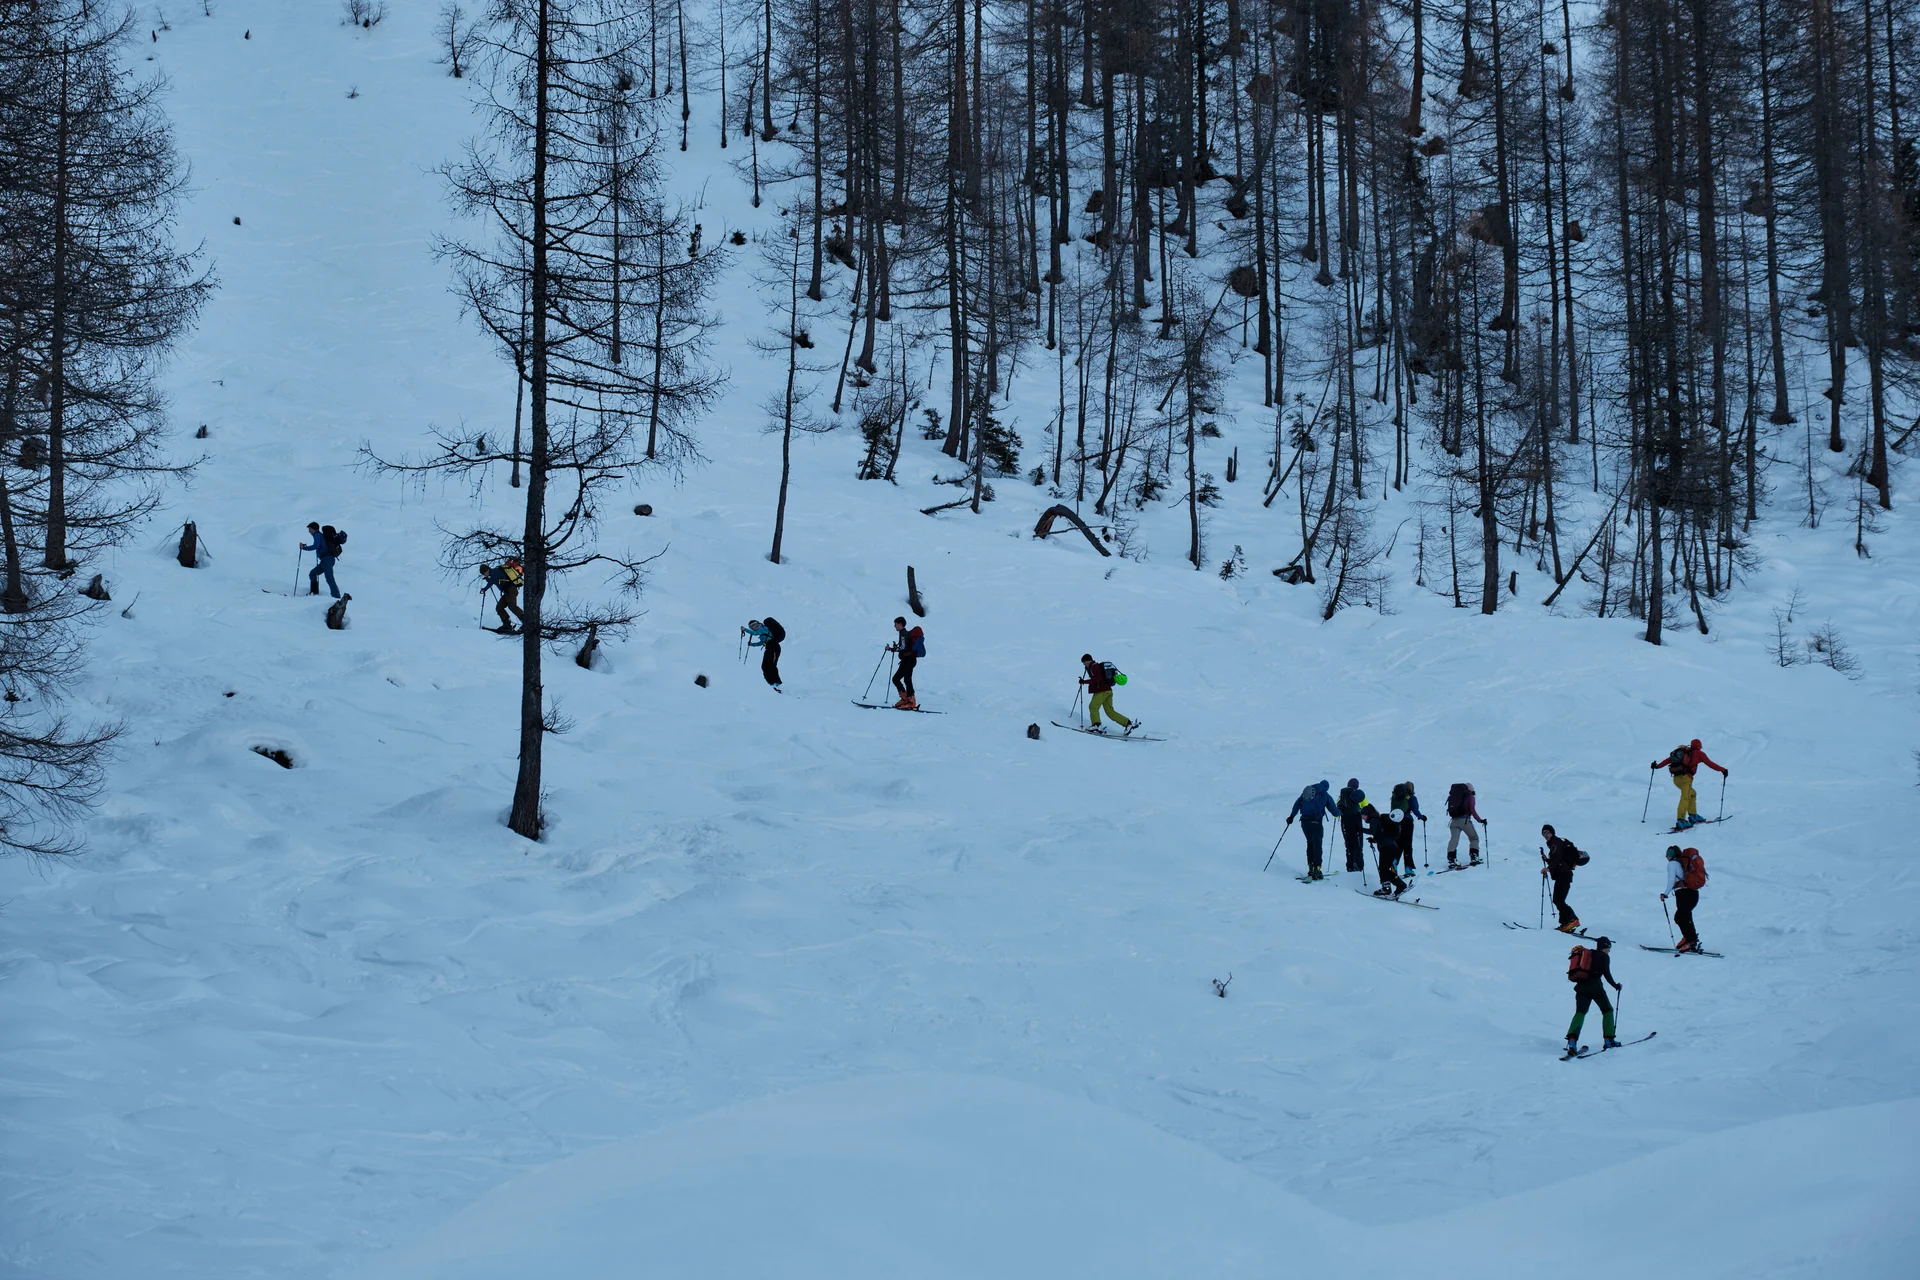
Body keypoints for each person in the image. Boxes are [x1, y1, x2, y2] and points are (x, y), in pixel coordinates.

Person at [1650, 738, 1729, 828]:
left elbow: (1668, 760)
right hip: (1686, 779)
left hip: (1676, 779)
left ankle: (1693, 815)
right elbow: (1710, 763)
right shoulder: (1699, 754)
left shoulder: (1684, 752)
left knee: (1692, 794)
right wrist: (1723, 770)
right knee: (1685, 797)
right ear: (1699, 746)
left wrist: (1656, 766)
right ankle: (1681, 820)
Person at [1565, 936, 1623, 1054]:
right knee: (1607, 1010)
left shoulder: (1589, 954)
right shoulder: (1604, 957)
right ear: (1605, 947)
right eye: (1609, 947)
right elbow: (1607, 974)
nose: (1609, 950)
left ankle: (1572, 1040)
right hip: (1595, 987)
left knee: (1580, 1013)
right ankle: (1609, 1039)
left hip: (1581, 987)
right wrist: (1615, 985)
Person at [1286, 780, 1340, 879]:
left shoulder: (1308, 791)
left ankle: (1311, 867)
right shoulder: (1325, 795)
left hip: (1304, 823)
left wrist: (1291, 817)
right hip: (1316, 822)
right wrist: (1340, 812)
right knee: (1317, 845)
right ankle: (1317, 869)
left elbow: (1297, 804)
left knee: (1310, 843)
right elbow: (1335, 812)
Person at [1541, 824, 1589, 933]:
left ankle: (1572, 920)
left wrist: (1548, 868)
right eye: (1543, 833)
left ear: (1552, 832)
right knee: (1558, 899)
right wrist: (1547, 860)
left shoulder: (1556, 842)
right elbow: (1558, 860)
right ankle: (1565, 923)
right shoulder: (1556, 843)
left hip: (1564, 874)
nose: (1545, 835)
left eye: (1547, 832)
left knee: (1558, 899)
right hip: (1563, 874)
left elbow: (1557, 858)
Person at [1662, 845, 1708, 953]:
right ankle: (1690, 939)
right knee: (1686, 917)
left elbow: (1671, 880)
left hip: (1684, 893)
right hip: (1693, 893)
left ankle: (1690, 940)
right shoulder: (1682, 864)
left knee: (1680, 917)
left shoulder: (1672, 864)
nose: (1666, 858)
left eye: (1667, 855)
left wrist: (1665, 894)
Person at [1078, 654, 1137, 735]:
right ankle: (1128, 724)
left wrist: (1084, 681)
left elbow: (1097, 679)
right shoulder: (1095, 667)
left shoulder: (1094, 667)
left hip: (1102, 691)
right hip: (1108, 691)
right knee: (1110, 712)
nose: (1084, 664)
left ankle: (1096, 725)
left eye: (1084, 663)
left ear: (1087, 661)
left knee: (1093, 707)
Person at [1363, 802, 1409, 898]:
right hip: (1390, 848)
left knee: (1384, 869)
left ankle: (1397, 886)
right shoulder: (1379, 820)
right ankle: (1388, 887)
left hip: (1387, 849)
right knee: (1384, 869)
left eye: (1364, 816)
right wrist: (1374, 840)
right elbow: (1382, 835)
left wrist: (1358, 829)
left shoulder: (1374, 821)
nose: (1363, 818)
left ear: (1368, 814)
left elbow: (1371, 831)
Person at [1443, 782, 1487, 867]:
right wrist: (1480, 820)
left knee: (1453, 840)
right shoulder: (1470, 796)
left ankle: (1452, 859)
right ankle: (1474, 857)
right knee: (1474, 838)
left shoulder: (1454, 795)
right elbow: (1472, 810)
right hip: (1464, 821)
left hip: (1453, 821)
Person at [301, 522, 346, 599]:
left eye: (310, 529)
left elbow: (316, 546)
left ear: (313, 529)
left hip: (327, 560)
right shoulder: (320, 535)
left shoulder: (317, 535)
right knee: (313, 573)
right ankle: (314, 592)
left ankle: (336, 597)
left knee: (329, 578)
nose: (309, 531)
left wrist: (304, 548)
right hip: (326, 560)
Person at [479, 560, 525, 634]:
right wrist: (489, 580)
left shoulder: (494, 572)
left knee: (512, 606)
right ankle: (507, 625)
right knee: (499, 607)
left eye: (484, 573)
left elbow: (491, 582)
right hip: (507, 591)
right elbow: (495, 580)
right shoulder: (494, 573)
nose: (484, 575)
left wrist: (485, 589)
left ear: (487, 570)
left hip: (511, 590)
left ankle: (526, 621)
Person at [888, 616, 925, 709]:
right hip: (908, 660)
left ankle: (911, 701)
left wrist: (892, 649)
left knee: (906, 679)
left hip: (909, 660)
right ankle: (905, 699)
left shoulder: (903, 633)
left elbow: (903, 648)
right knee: (896, 679)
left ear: (900, 624)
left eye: (895, 624)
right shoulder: (903, 633)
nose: (894, 626)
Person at [1389, 781, 1426, 874]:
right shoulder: (1411, 798)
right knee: (1407, 845)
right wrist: (1422, 817)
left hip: (1397, 822)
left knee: (1398, 844)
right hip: (1407, 822)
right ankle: (1408, 868)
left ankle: (1394, 862)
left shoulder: (1395, 797)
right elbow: (1415, 810)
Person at [1336, 778, 1367, 873]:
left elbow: (1337, 808)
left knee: (1348, 844)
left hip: (1345, 822)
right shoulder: (1358, 794)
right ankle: (1358, 865)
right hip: (1356, 821)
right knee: (1358, 843)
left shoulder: (1342, 795)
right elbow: (1366, 807)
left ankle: (1349, 866)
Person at [746, 617, 785, 688]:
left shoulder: (764, 628)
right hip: (769, 648)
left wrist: (744, 629)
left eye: (755, 624)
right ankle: (771, 683)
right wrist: (752, 644)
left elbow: (754, 633)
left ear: (759, 623)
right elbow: (761, 643)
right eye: (752, 626)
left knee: (771, 665)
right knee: (764, 666)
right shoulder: (762, 634)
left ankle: (777, 683)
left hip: (774, 647)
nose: (755, 627)